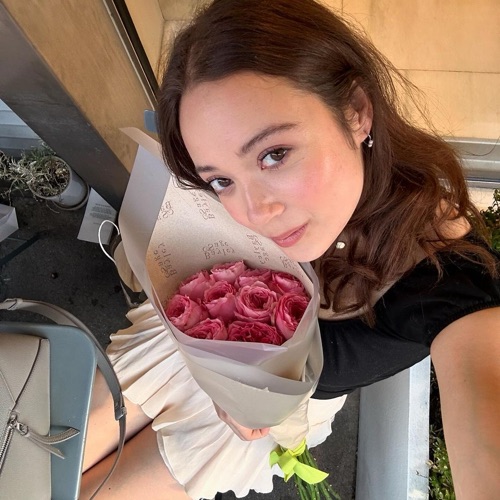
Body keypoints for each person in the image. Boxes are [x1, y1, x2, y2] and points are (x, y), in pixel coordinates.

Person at [81, 0, 500, 498]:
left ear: (357, 111)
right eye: (221, 180)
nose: (254, 212)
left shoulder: (449, 282)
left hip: (252, 426)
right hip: (183, 350)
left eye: (274, 154)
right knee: (38, 462)